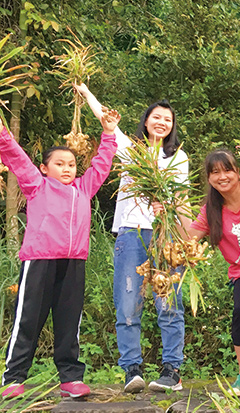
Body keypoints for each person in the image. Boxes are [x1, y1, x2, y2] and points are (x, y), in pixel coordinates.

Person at [0, 104, 119, 400]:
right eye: (60, 164)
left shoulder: (84, 188)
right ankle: (14, 377)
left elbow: (102, 164)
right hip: (40, 261)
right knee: (28, 319)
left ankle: (70, 378)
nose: (67, 169)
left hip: (74, 262)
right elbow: (15, 155)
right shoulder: (36, 185)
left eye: (71, 164)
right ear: (44, 168)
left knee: (69, 322)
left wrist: (108, 133)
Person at [76, 84, 188, 393]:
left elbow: (183, 201)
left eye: (167, 119)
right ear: (146, 120)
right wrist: (86, 92)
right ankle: (132, 370)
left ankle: (172, 370)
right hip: (130, 234)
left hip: (166, 234)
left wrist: (167, 205)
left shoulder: (178, 158)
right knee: (128, 304)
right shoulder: (130, 148)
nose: (161, 122)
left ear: (172, 126)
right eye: (156, 117)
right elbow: (105, 119)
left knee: (168, 304)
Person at [184, 149, 240, 397]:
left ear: (237, 172)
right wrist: (168, 212)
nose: (222, 176)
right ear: (208, 178)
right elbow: (189, 240)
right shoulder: (211, 209)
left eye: (227, 170)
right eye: (215, 172)